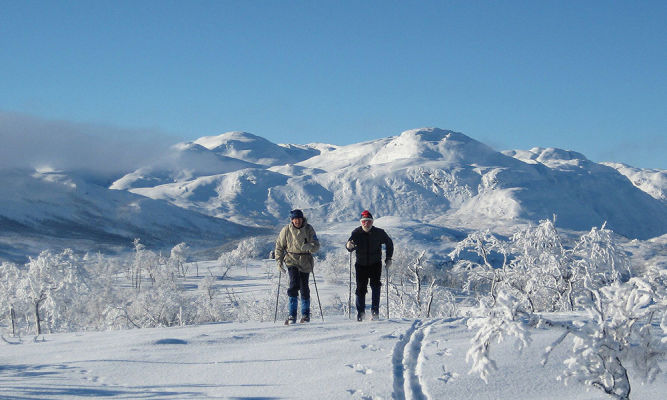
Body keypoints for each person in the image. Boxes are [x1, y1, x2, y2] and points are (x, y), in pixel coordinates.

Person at [346, 210, 393, 321]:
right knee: (360, 289)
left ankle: (375, 312)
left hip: (375, 264)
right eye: (364, 221)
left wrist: (389, 258)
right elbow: (350, 246)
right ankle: (360, 314)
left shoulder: (379, 232)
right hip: (361, 265)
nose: (366, 223)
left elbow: (389, 243)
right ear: (361, 222)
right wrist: (348, 246)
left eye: (368, 221)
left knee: (376, 287)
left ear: (372, 222)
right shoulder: (356, 233)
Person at [275, 209, 320, 324]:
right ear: (292, 220)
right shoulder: (286, 230)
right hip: (291, 259)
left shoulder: (309, 229)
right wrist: (279, 261)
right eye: (295, 219)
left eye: (299, 219)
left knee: (304, 287)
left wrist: (309, 246)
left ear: (302, 219)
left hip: (305, 260)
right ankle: (292, 315)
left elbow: (316, 246)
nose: (297, 221)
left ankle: (305, 315)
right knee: (294, 284)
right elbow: (279, 246)